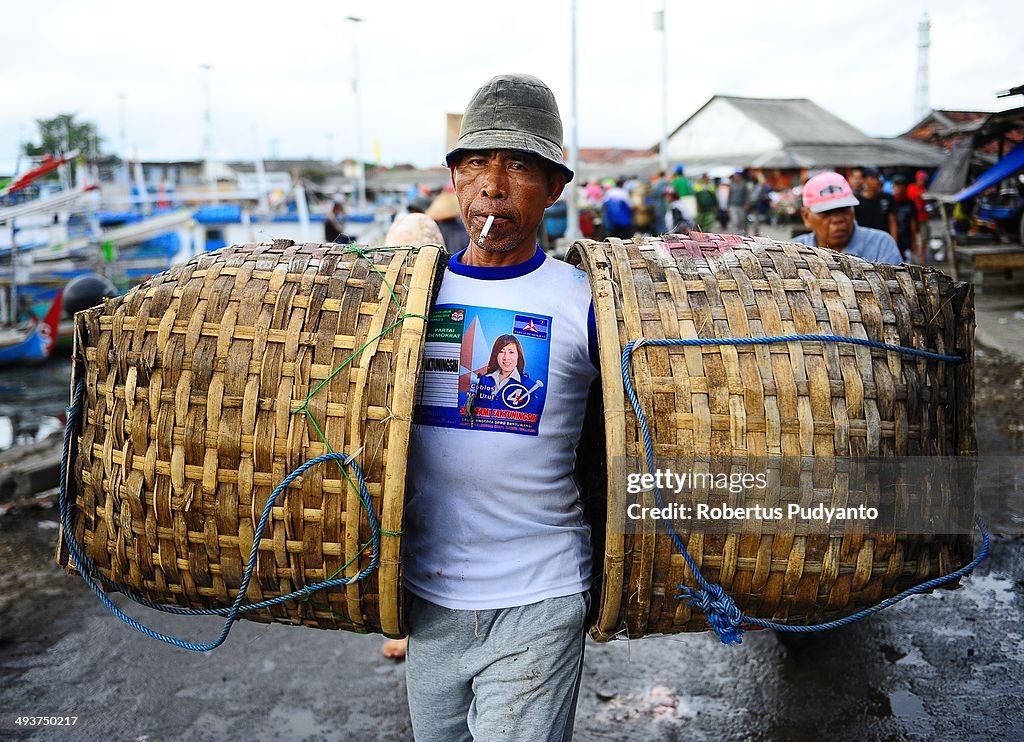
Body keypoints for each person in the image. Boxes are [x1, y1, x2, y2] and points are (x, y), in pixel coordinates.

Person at [403, 73, 599, 741]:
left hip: (537, 596)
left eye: (519, 165)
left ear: (553, 187)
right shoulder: (410, 297)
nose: (493, 184)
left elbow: (646, 420)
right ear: (453, 178)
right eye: (476, 163)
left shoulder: (584, 301)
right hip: (428, 597)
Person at [378, 211, 446, 662]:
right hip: (390, 429)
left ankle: (411, 623)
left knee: (429, 520)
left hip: (432, 430)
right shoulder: (379, 303)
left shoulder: (447, 296)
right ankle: (398, 620)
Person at [792, 171, 902, 264]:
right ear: (806, 216)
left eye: (844, 209)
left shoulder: (881, 245)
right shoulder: (794, 252)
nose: (838, 219)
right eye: (826, 212)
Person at [889, 174, 921, 263]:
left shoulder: (910, 204)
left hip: (906, 238)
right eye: (898, 185)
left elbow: (913, 223)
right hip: (892, 239)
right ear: (893, 187)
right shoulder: (889, 202)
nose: (900, 188)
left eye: (902, 185)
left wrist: (914, 241)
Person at [853, 167, 893, 232]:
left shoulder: (887, 198)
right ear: (864, 180)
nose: (876, 181)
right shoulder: (857, 201)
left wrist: (893, 241)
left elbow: (892, 221)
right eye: (872, 178)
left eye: (877, 178)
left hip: (883, 239)